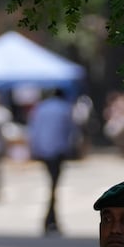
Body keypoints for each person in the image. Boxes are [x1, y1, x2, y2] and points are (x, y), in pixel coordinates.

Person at [25, 89, 77, 235]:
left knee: (52, 186)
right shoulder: (65, 108)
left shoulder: (41, 108)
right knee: (53, 186)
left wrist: (34, 149)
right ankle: (50, 220)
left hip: (43, 150)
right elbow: (72, 131)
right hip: (58, 151)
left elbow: (33, 130)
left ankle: (51, 219)